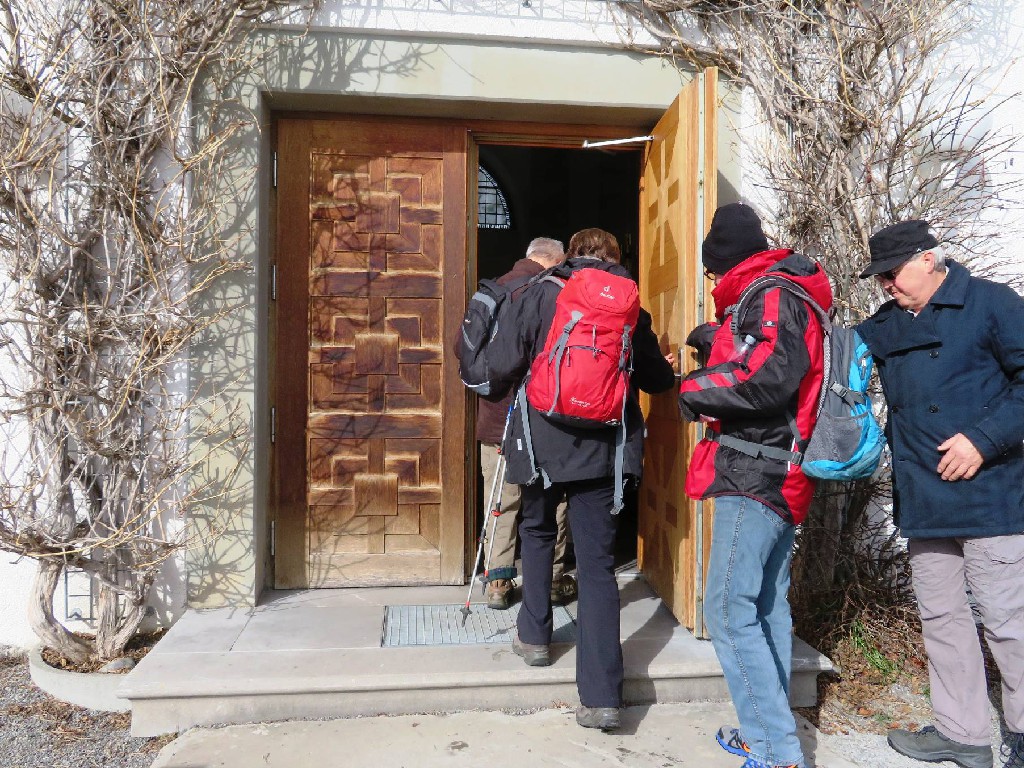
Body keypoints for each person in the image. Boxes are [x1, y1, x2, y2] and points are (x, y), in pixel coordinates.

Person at [486, 227, 675, 731]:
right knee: (595, 567)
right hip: (604, 451)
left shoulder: (538, 294)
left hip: (543, 441)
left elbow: (501, 365)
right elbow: (656, 379)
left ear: (570, 257)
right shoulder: (630, 307)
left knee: (537, 530)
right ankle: (601, 696)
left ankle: (534, 638)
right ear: (617, 261)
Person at [855, 220, 1024, 768]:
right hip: (924, 494)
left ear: (929, 259)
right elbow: (834, 356)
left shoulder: (991, 303)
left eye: (892, 272)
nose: (885, 284)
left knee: (1007, 620)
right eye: (879, 276)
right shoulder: (885, 324)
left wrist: (983, 439)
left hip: (992, 491)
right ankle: (962, 733)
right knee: (943, 618)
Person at [678, 203, 834, 768]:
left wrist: (692, 388)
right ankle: (768, 730)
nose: (713, 281)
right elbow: (767, 359)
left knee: (726, 608)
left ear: (728, 262)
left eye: (714, 271)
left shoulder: (771, 293)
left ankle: (774, 750)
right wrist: (716, 338)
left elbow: (766, 376)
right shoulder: (786, 290)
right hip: (779, 465)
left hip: (756, 471)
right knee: (765, 605)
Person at [466, 237, 576, 610]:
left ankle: (498, 583)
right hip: (546, 415)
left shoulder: (494, 291)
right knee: (554, 498)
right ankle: (552, 579)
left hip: (497, 416)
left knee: (501, 500)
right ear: (554, 261)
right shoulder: (556, 293)